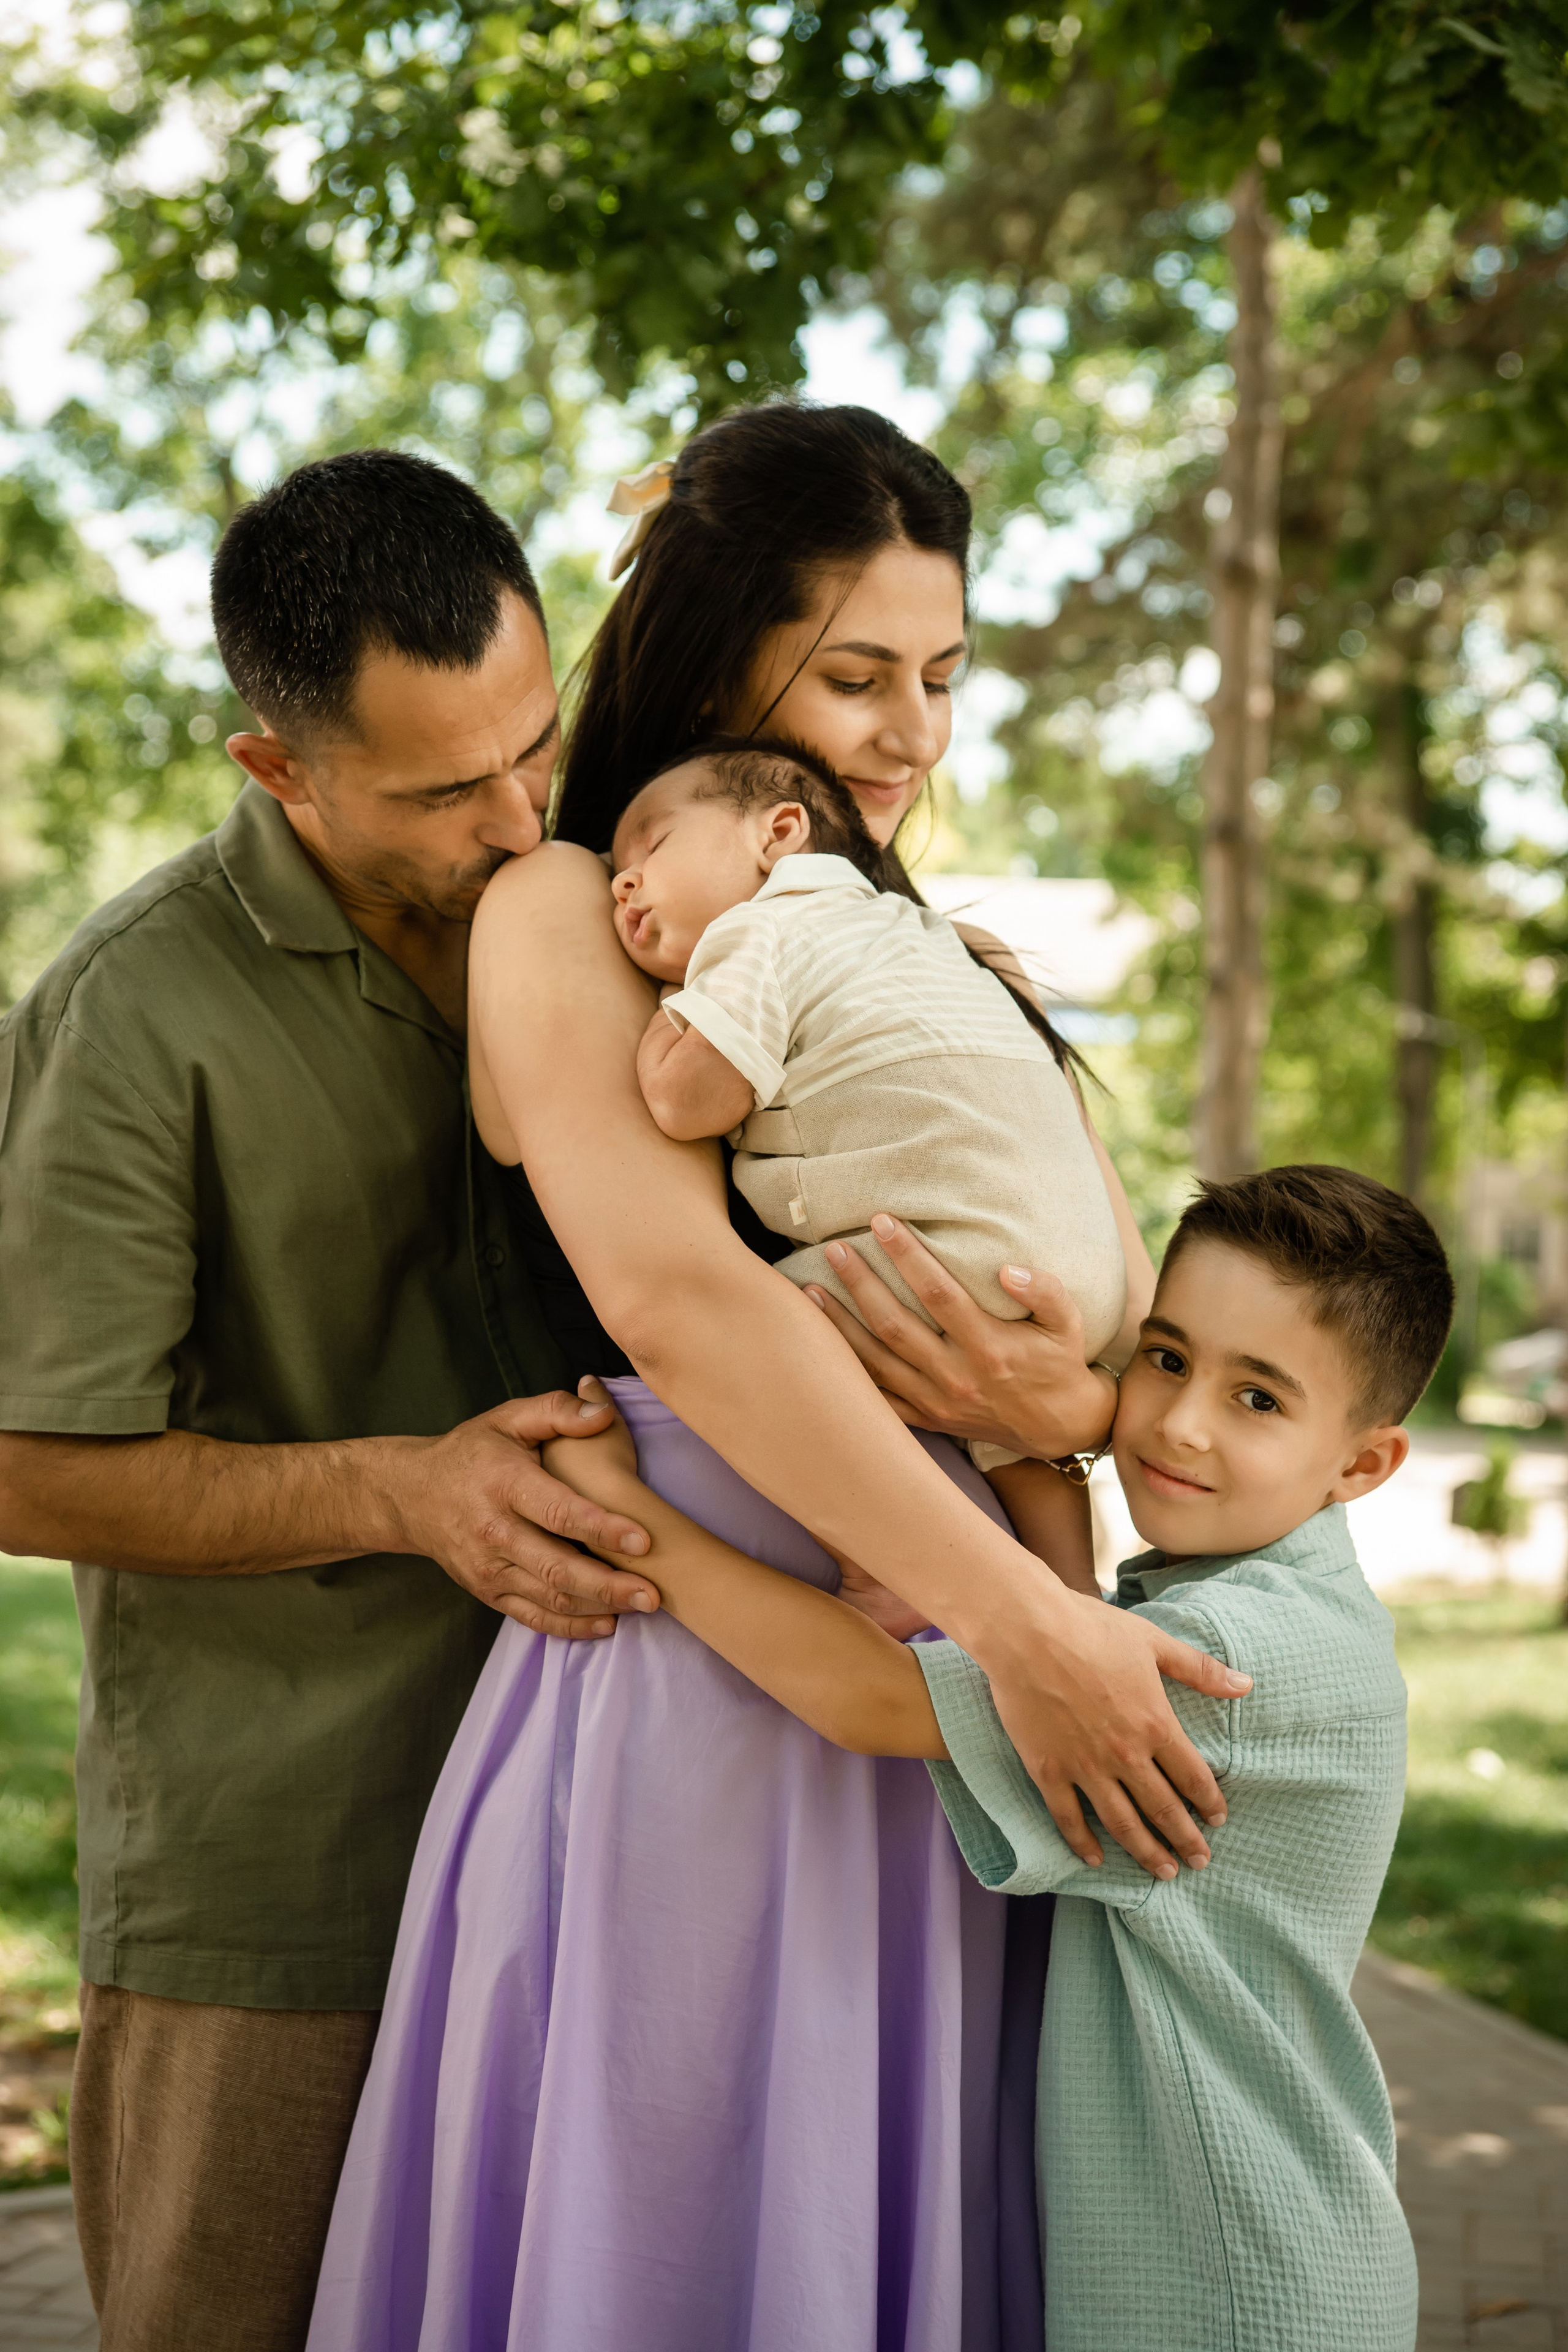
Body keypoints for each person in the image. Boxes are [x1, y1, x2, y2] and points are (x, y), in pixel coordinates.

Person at [309, 405, 1247, 2352]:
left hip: (961, 1726)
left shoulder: (937, 956)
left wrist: (1063, 1422)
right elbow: (675, 1298)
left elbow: (1119, 1336)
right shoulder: (564, 915)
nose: (913, 730)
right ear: (726, 649)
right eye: (856, 675)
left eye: (945, 676)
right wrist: (1031, 1623)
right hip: (709, 1695)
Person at [545, 1163, 1447, 2352]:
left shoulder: (1230, 1649)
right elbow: (1051, 1629)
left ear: (1360, 1465)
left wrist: (631, 1516)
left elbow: (865, 1700)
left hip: (1226, 2280)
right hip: (1245, 2244)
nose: (1179, 1423)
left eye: (1258, 1400)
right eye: (1166, 1359)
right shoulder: (1268, 1601)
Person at [611, 732, 1125, 1589]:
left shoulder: (763, 929)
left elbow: (685, 1100)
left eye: (652, 846)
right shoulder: (924, 935)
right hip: (1074, 1291)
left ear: (778, 835)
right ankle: (1077, 1589)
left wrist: (670, 1013)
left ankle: (876, 1567)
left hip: (936, 1264)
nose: (623, 880)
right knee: (1017, 1443)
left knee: (759, 1331)